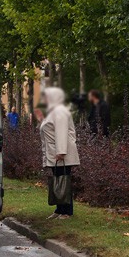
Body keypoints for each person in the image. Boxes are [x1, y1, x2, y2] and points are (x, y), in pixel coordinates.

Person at [35, 87, 80, 219]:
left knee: (63, 181)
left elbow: (61, 132)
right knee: (58, 181)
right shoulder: (53, 112)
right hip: (54, 152)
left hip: (60, 153)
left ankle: (67, 211)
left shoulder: (60, 111)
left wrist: (61, 152)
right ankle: (59, 209)